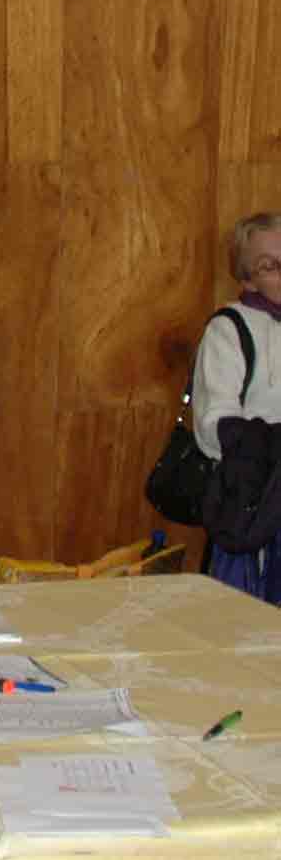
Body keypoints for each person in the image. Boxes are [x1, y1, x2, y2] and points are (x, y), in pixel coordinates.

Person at [193, 210, 281, 600]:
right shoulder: (229, 330)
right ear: (247, 278)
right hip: (255, 506)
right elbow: (212, 427)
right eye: (270, 266)